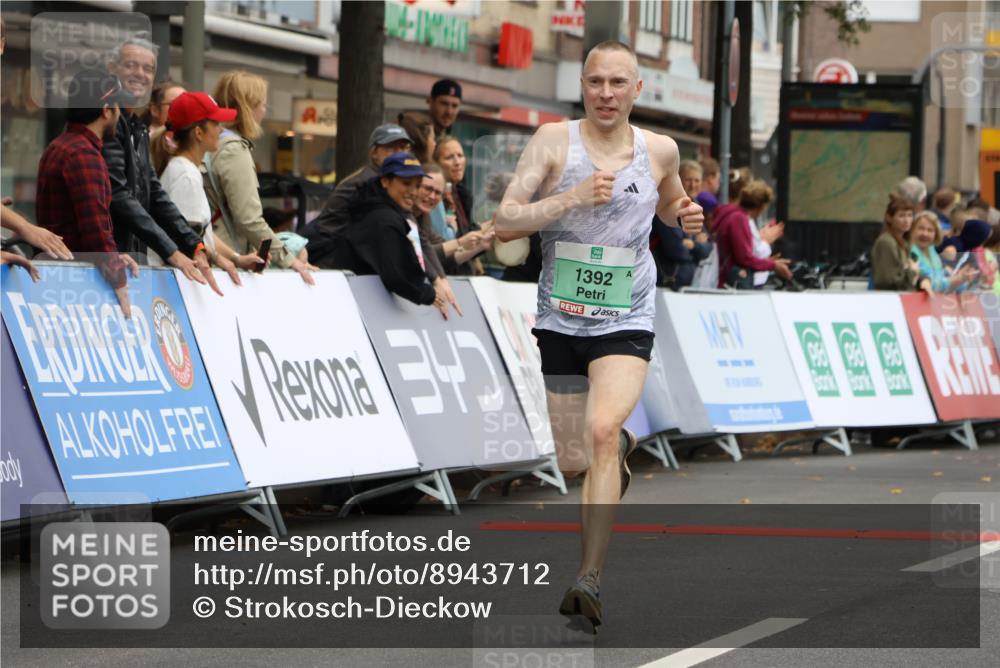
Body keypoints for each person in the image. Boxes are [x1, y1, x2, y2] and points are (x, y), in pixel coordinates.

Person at [494, 40, 704, 633]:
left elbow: (668, 205)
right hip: (560, 318)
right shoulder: (552, 142)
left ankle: (588, 577)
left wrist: (685, 213)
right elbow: (507, 219)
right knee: (575, 457)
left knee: (604, 429)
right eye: (595, 83)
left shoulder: (659, 149)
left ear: (638, 89)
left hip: (626, 313)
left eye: (618, 83)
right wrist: (570, 197)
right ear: (582, 87)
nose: (606, 94)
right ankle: (616, 457)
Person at [103, 36, 214, 290]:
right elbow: (117, 194)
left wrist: (194, 245)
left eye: (148, 68)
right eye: (131, 65)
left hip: (132, 262)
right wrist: (173, 252)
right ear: (112, 69)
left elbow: (154, 193)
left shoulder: (137, 128)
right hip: (106, 263)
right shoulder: (106, 121)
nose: (140, 74)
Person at [36, 68, 140, 315]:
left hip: (59, 280)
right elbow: (95, 228)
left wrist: (113, 259)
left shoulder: (59, 145)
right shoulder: (84, 154)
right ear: (106, 110)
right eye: (116, 106)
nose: (119, 114)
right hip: (73, 291)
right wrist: (119, 281)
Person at [204, 70, 314, 285]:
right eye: (263, 104)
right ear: (248, 107)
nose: (265, 110)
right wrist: (289, 260)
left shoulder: (214, 141)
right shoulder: (234, 150)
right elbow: (249, 220)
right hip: (223, 264)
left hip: (211, 254)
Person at [156, 90, 264, 286]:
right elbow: (186, 240)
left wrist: (235, 258)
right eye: (215, 123)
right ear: (198, 132)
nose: (221, 130)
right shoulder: (186, 175)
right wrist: (220, 258)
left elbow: (200, 233)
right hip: (178, 285)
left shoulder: (187, 169)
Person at [330, 153, 442, 308]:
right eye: (406, 183)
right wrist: (429, 294)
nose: (413, 192)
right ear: (385, 181)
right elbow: (396, 275)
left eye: (417, 185)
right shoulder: (385, 220)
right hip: (353, 305)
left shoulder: (373, 207)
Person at [303, 123, 413, 267]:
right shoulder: (368, 183)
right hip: (331, 258)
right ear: (374, 152)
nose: (399, 154)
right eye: (391, 148)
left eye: (403, 148)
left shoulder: (390, 180)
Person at [712, 180, 791, 288]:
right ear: (762, 206)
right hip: (730, 285)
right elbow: (744, 258)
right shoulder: (739, 219)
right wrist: (773, 265)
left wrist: (766, 262)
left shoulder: (730, 214)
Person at [435, 135, 488, 275]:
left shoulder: (462, 194)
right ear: (437, 163)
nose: (457, 162)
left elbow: (466, 235)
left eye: (460, 155)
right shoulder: (433, 198)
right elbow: (449, 244)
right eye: (449, 157)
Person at [871, 195, 932, 292]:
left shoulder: (904, 242)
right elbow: (887, 281)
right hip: (889, 301)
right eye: (902, 215)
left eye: (909, 215)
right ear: (889, 218)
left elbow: (909, 273)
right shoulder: (886, 242)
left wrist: (923, 280)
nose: (907, 220)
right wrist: (913, 272)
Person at [910, 211, 977, 292]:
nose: (925, 234)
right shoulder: (909, 252)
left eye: (930, 230)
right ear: (912, 230)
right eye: (921, 228)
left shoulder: (933, 252)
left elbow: (951, 283)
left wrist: (964, 278)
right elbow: (931, 284)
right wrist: (957, 279)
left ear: (936, 234)